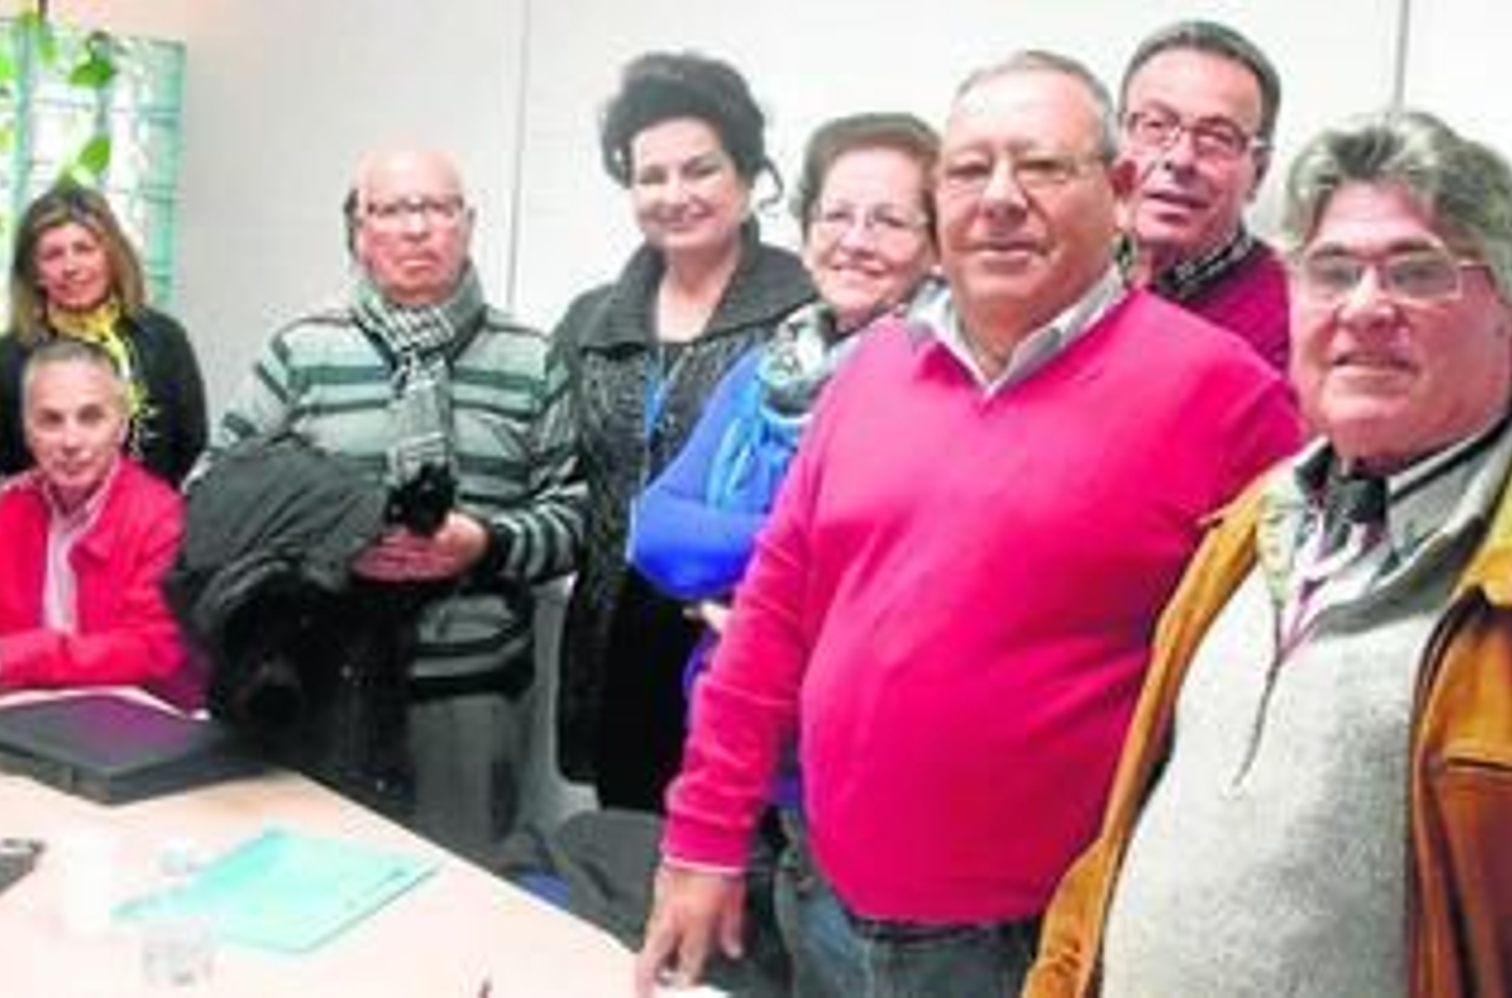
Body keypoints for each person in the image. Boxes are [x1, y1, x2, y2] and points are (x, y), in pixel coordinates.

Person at [636, 51, 1301, 998]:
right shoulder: (871, 372)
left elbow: (1264, 698)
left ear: (1116, 190)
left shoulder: (1223, 395)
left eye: (1040, 166)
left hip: (1032, 942)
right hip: (817, 894)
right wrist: (702, 838)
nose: (998, 197)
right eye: (968, 168)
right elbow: (773, 622)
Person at [1026, 111, 1512, 998]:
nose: (1364, 307)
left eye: (1419, 271)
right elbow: (1125, 834)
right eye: (1332, 271)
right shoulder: (1252, 523)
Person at [628, 111, 940, 998]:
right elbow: (656, 532)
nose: (855, 241)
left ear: (935, 243)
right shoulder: (770, 368)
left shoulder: (944, 379)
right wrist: (799, 562)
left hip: (859, 783)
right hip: (742, 761)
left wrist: (757, 575)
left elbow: (905, 561)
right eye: (836, 215)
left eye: (888, 220)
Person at [208, 147, 583, 865]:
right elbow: (215, 491)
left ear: (468, 224)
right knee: (319, 882)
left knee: (462, 891)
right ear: (358, 230)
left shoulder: (531, 357)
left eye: (438, 208)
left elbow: (573, 516)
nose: (417, 229)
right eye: (392, 210)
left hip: (469, 686)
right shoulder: (302, 349)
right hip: (322, 676)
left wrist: (485, 541)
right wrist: (334, 529)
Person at [553, 50, 813, 811]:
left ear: (747, 172)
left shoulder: (806, 315)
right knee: (622, 872)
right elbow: (566, 487)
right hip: (613, 653)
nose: (675, 195)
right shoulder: (590, 324)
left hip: (741, 647)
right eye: (650, 176)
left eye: (699, 169)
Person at [0, 338, 193, 708]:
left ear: (121, 425)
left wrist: (16, 655)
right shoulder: (13, 509)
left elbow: (152, 652)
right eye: (50, 420)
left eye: (90, 417)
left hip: (131, 723)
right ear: (27, 431)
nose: (70, 441)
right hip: (26, 714)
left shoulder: (161, 518)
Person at [0, 182, 207, 491]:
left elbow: (195, 459)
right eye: (53, 255)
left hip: (155, 531)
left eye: (84, 249)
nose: (70, 267)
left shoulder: (164, 340)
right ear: (35, 273)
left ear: (111, 256)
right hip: (48, 533)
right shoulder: (9, 357)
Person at [1117, 19, 1290, 369]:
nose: (1180, 159)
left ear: (1259, 172)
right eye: (1155, 126)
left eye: (1217, 137)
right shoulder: (1066, 279)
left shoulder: (1294, 317)